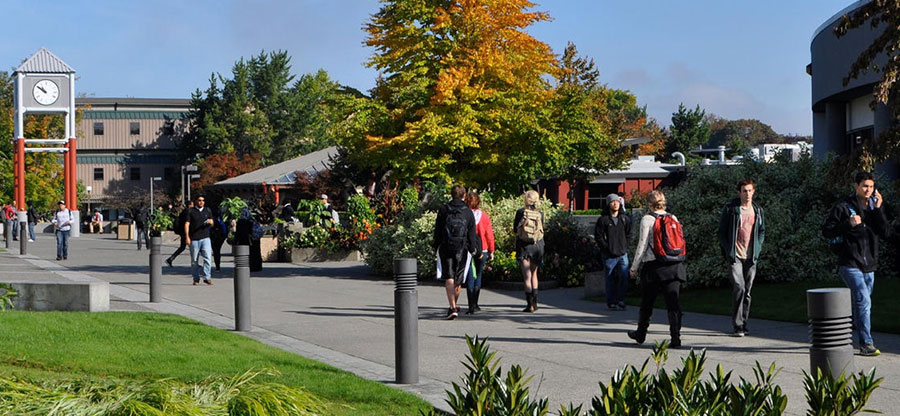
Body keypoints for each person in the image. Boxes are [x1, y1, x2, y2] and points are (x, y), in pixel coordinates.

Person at [822, 171, 889, 357]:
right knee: (864, 301)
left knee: (862, 303)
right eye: (864, 186)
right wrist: (847, 224)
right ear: (856, 186)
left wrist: (879, 210)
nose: (868, 190)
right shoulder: (843, 207)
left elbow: (884, 232)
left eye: (871, 186)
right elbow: (827, 231)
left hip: (870, 263)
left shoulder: (874, 207)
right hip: (849, 262)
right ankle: (866, 344)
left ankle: (847, 333)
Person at [627, 190, 686, 349]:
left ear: (649, 204)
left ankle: (641, 333)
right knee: (673, 304)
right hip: (674, 266)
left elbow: (642, 244)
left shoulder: (647, 219)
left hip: (654, 267)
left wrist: (634, 267)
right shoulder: (673, 218)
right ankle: (676, 338)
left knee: (647, 302)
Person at [718, 179, 766, 337]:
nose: (747, 194)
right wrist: (728, 251)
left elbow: (761, 231)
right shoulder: (731, 209)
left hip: (751, 257)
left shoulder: (758, 210)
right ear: (739, 192)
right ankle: (737, 325)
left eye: (750, 190)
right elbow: (721, 232)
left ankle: (744, 324)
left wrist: (758, 248)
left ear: (754, 192)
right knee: (739, 286)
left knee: (747, 291)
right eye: (744, 191)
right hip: (735, 256)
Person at [433, 185, 479, 320]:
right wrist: (473, 249)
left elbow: (438, 230)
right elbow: (472, 233)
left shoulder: (444, 210)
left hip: (446, 246)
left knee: (449, 276)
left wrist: (436, 245)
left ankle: (452, 307)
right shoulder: (468, 212)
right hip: (462, 247)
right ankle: (454, 305)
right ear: (464, 195)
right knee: (459, 279)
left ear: (451, 195)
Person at [595, 193, 633, 311]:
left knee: (623, 277)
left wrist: (624, 246)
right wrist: (607, 248)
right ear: (608, 204)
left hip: (622, 254)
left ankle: (620, 300)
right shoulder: (603, 220)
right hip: (609, 255)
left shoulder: (625, 219)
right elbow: (599, 236)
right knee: (610, 278)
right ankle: (611, 301)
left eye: (617, 201)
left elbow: (629, 234)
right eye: (612, 202)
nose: (615, 203)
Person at [514, 189, 545, 313]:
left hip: (523, 246)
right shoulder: (540, 213)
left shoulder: (521, 212)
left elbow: (515, 229)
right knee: (534, 274)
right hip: (537, 245)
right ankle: (536, 303)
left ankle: (529, 304)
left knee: (526, 276)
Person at [464, 191, 495, 315]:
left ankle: (470, 305)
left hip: (468, 249)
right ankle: (476, 303)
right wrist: (492, 250)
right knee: (479, 275)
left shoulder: (465, 215)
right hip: (483, 249)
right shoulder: (484, 216)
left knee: (470, 276)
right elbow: (489, 235)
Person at [185, 195, 214, 285]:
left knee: (208, 258)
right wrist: (187, 237)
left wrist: (211, 222)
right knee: (194, 260)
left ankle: (207, 277)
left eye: (203, 200)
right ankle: (196, 278)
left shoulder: (207, 210)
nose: (201, 202)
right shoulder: (191, 211)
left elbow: (212, 222)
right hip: (194, 238)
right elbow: (187, 224)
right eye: (199, 200)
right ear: (196, 201)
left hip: (206, 237)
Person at [166, 201, 193, 267]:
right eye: (192, 204)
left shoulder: (184, 211)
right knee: (192, 247)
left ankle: (170, 259)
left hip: (182, 231)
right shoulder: (188, 212)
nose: (193, 206)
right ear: (189, 205)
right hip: (186, 232)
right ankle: (194, 263)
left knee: (183, 247)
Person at [210, 207, 227, 271]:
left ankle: (217, 264)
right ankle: (218, 265)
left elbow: (209, 229)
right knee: (218, 251)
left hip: (213, 238)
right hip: (220, 238)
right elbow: (224, 229)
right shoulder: (220, 220)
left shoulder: (212, 221)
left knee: (215, 251)